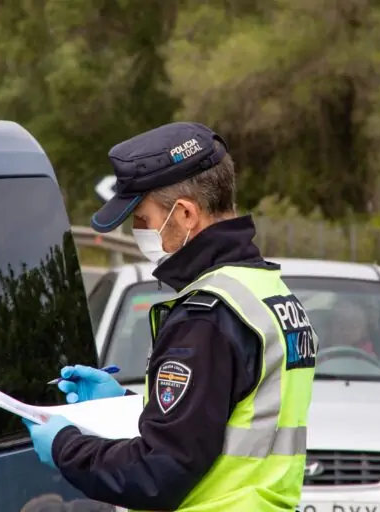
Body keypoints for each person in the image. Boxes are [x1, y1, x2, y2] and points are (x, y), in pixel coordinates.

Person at [23, 121, 318, 511]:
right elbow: (220, 421)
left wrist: (65, 446)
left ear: (184, 214)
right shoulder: (268, 292)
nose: (136, 232)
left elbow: (157, 473)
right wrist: (126, 406)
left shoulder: (206, 316)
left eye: (142, 219)